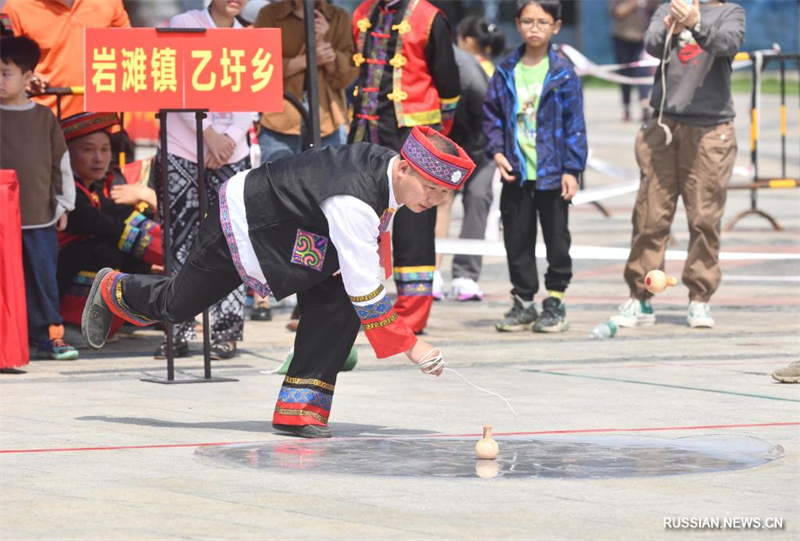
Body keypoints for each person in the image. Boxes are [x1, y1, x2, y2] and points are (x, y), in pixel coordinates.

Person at [82, 126, 475, 439]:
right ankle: (114, 288)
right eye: (430, 188)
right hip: (247, 220)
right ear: (406, 169)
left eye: (444, 193)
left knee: (339, 304)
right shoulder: (354, 198)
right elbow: (364, 283)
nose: (435, 199)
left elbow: (368, 261)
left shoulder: (390, 168)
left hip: (300, 233)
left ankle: (299, 407)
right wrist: (411, 345)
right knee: (176, 305)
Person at [609, 0, 745, 330]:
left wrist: (697, 23)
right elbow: (652, 44)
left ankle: (699, 298)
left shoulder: (731, 13)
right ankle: (640, 296)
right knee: (650, 214)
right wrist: (675, 26)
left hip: (711, 130)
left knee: (704, 217)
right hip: (664, 125)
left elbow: (726, 44)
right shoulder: (667, 9)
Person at [349, 0, 460, 334]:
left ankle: (411, 314)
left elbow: (449, 86)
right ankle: (359, 306)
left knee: (415, 224)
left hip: (414, 136)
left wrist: (438, 138)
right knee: (357, 221)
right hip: (366, 132)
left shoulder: (429, 18)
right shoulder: (362, 13)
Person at [151, 0, 253, 360]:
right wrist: (207, 133)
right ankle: (176, 329)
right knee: (180, 240)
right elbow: (172, 82)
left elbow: (253, 92)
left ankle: (225, 332)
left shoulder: (249, 35)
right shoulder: (184, 23)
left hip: (233, 150)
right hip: (183, 146)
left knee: (234, 240)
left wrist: (230, 139)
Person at [483, 0, 587, 333]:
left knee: (557, 239)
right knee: (516, 238)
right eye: (528, 21)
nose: (534, 28)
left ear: (556, 26)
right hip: (516, 173)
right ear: (517, 24)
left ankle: (554, 300)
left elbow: (575, 124)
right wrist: (497, 151)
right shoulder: (506, 68)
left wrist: (572, 169)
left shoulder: (562, 71)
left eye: (542, 22)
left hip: (554, 174)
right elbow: (492, 115)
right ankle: (524, 302)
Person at [0, 36, 77, 360]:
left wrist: (64, 204)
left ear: (28, 76)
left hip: (39, 215)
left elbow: (61, 163)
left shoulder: (44, 117)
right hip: (2, 220)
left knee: (42, 276)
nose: (0, 80)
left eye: (5, 73)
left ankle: (50, 334)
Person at [57, 112, 161, 342]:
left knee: (133, 255)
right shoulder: (67, 190)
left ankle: (115, 319)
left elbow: (120, 216)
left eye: (104, 150)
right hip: (59, 269)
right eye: (88, 150)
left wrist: (161, 242)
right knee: (106, 250)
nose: (99, 158)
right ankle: (72, 323)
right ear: (68, 154)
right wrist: (161, 249)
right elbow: (107, 226)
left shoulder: (95, 188)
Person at [438, 16, 506, 302]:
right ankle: (432, 272)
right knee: (441, 200)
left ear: (463, 39)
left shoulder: (466, 65)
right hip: (450, 145)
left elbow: (493, 113)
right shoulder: (455, 60)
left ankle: (464, 275)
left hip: (481, 146)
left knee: (475, 199)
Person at [254, 0, 358, 162]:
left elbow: (347, 76)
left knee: (329, 182)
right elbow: (259, 66)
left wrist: (323, 42)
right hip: (280, 115)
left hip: (327, 116)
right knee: (277, 181)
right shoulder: (269, 15)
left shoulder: (339, 17)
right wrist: (307, 60)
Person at [1, 0, 130, 119]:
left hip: (103, 120)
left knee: (95, 143)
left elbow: (131, 51)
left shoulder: (110, 2)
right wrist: (26, 78)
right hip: (42, 122)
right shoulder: (16, 7)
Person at [608, 0, 660, 122]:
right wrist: (635, 3)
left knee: (644, 73)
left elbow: (658, 10)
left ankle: (644, 107)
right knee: (625, 75)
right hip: (622, 37)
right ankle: (626, 108)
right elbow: (617, 11)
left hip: (643, 38)